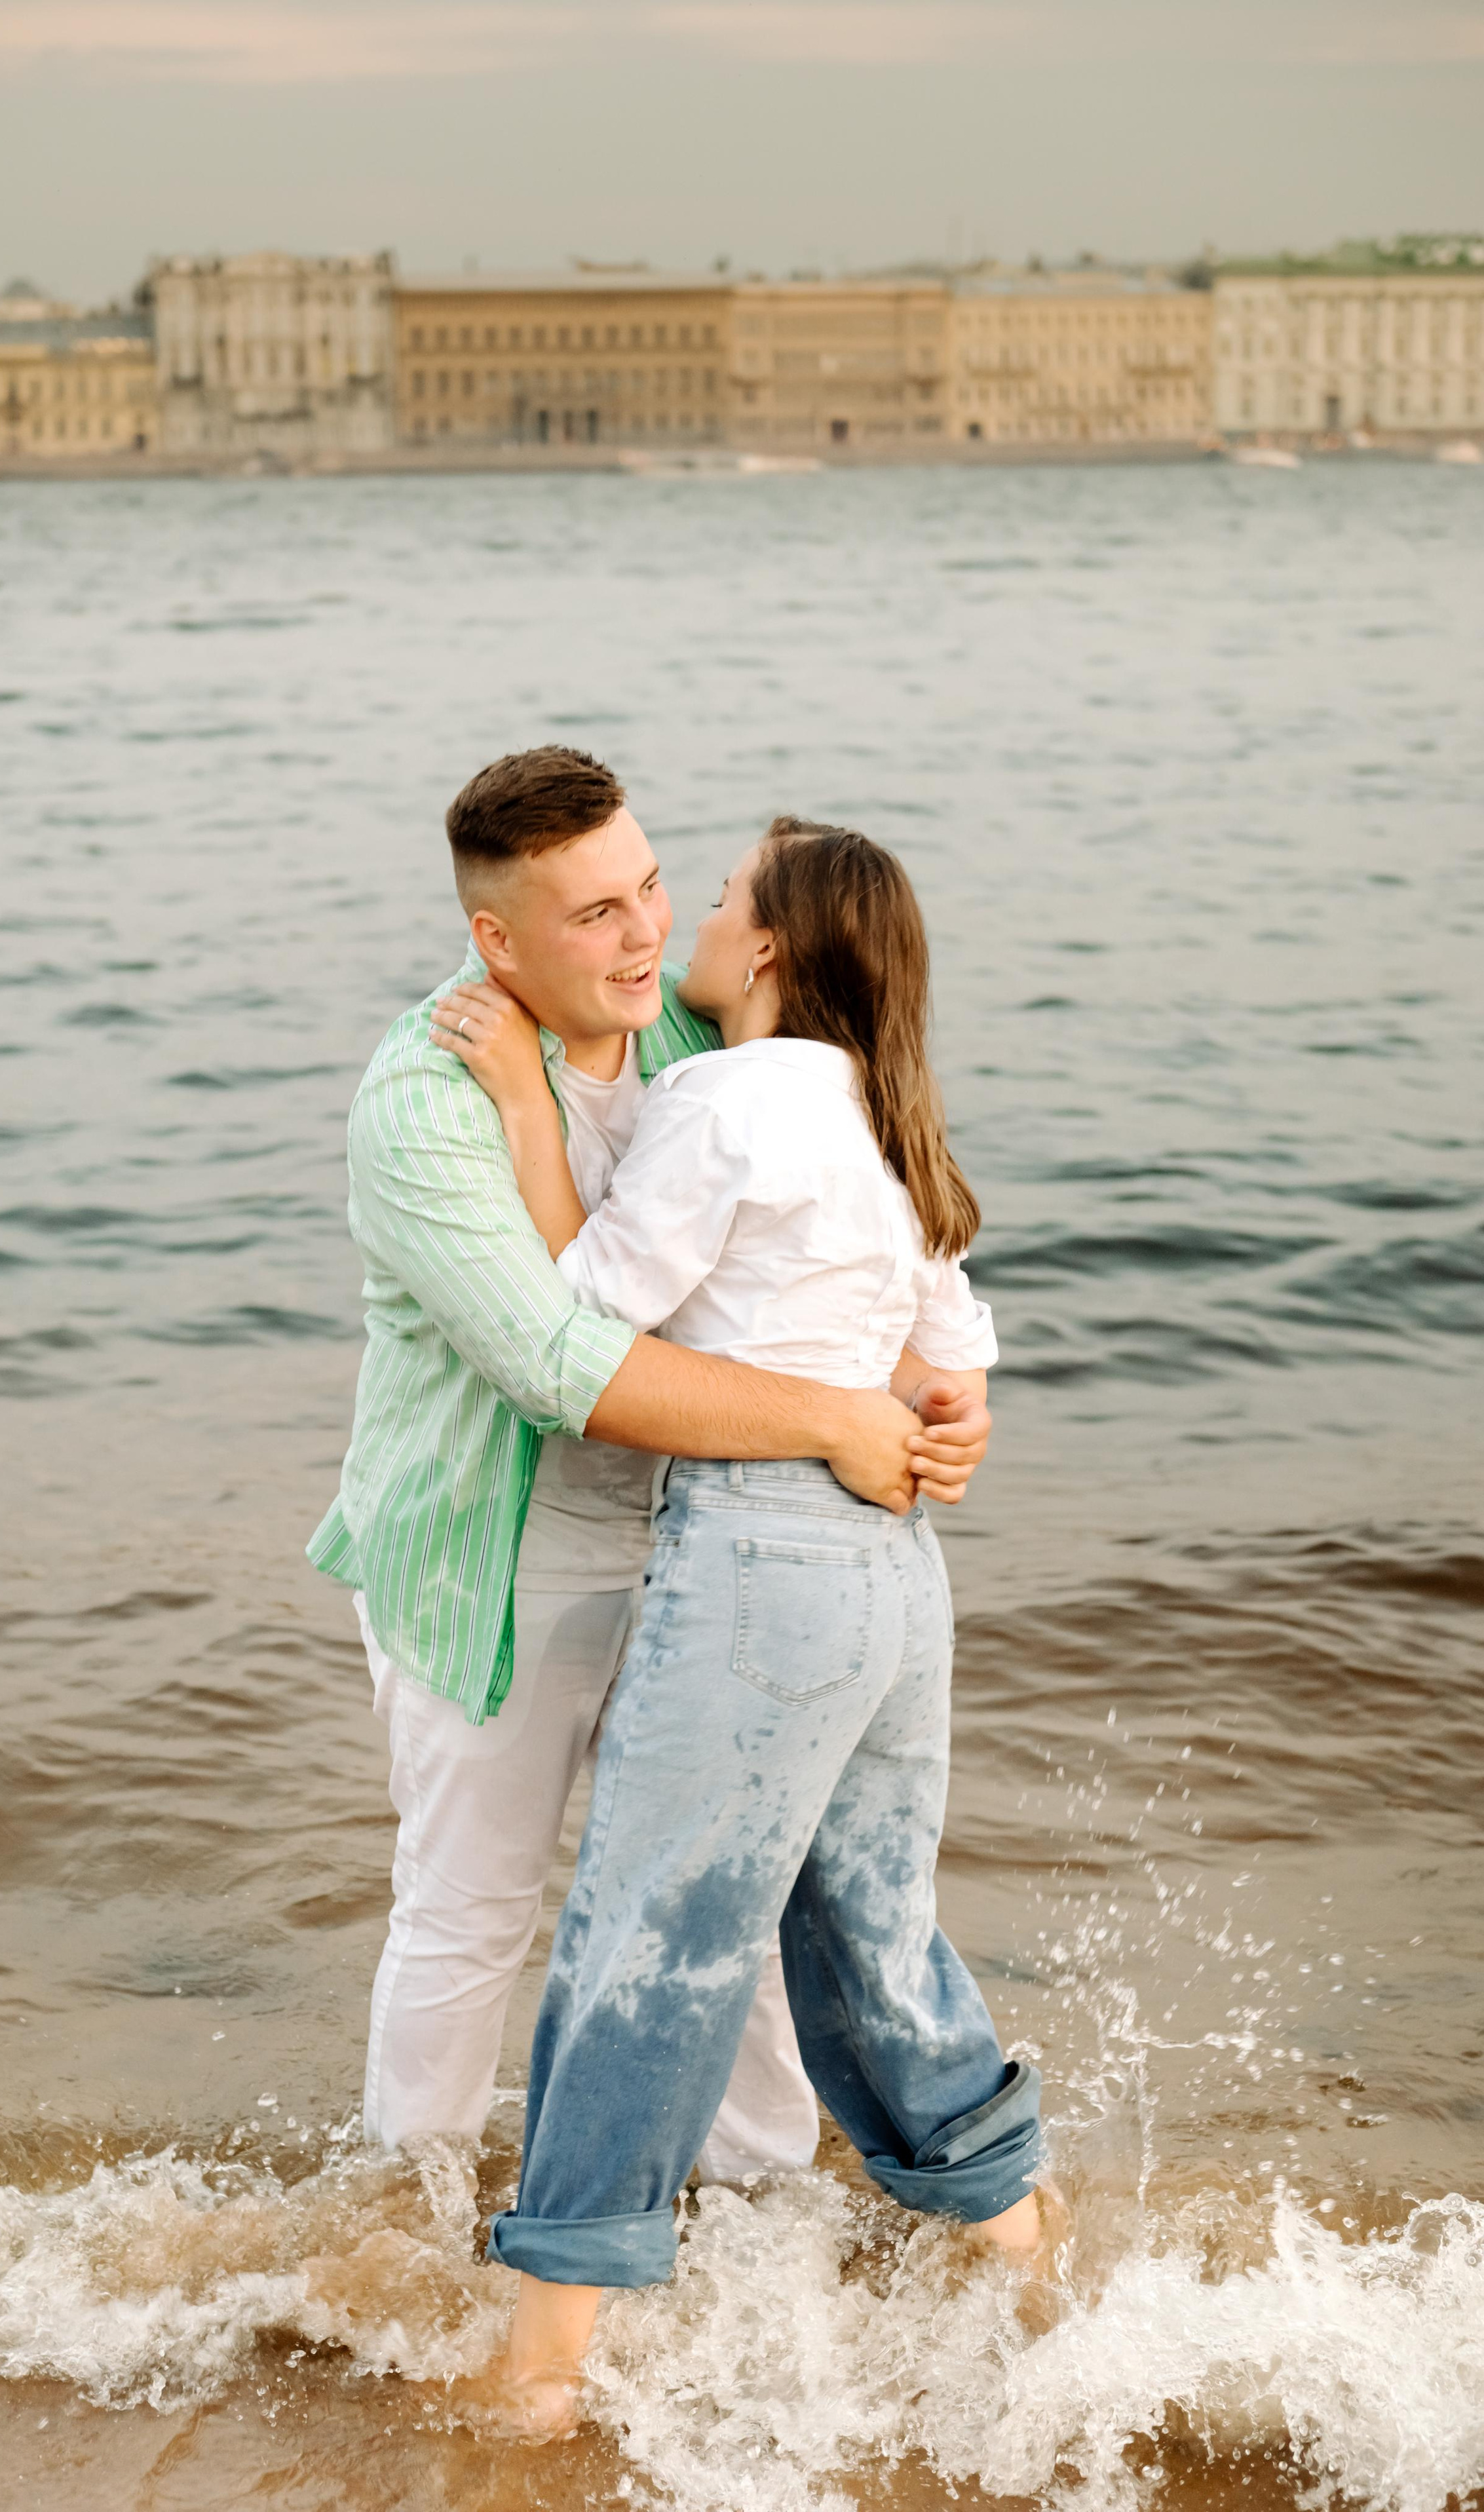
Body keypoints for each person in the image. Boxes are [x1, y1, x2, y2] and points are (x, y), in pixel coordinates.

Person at [307, 752, 995, 2184]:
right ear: (497, 940)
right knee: (472, 1911)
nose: (639, 939)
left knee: (726, 1911)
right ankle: (402, 2221)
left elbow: (814, 1237)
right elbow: (573, 1372)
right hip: (494, 1557)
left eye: (653, 892)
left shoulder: (703, 1036)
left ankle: (752, 2210)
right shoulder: (424, 1099)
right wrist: (834, 1419)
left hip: (701, 1551)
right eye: (593, 917)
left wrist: (929, 1400)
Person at [432, 817, 1042, 2429]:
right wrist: (941, 1425)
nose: (689, 923)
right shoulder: (888, 1115)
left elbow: (583, 1304)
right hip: (896, 1587)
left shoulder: (724, 1097)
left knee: (646, 1948)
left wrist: (515, 1102)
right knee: (873, 1941)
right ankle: (1028, 2261)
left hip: (763, 1570)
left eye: (714, 902)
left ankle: (542, 2371)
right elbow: (949, 1374)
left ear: (765, 954)